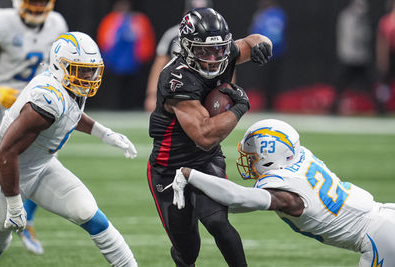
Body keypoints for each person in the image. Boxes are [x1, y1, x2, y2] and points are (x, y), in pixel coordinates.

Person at [0, 31, 138, 267]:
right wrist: (14, 203)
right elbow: (5, 152)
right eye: (81, 70)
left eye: (91, 70)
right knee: (0, 244)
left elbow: (69, 113)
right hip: (5, 175)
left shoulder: (65, 88)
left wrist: (104, 133)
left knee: (88, 213)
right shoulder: (45, 101)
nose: (89, 76)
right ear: (60, 66)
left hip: (41, 166)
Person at [172, 119, 395, 266]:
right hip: (386, 217)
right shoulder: (301, 157)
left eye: (254, 157)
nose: (250, 162)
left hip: (380, 239)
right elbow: (237, 203)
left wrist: (191, 174)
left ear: (270, 157)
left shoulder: (287, 195)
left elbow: (238, 197)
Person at [147, 7, 272, 267]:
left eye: (218, 50)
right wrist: (240, 107)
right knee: (187, 250)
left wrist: (264, 44)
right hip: (169, 167)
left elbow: (251, 42)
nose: (213, 57)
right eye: (203, 50)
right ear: (186, 47)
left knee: (217, 222)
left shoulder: (224, 54)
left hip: (205, 162)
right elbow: (204, 136)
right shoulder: (176, 78)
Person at [0, 0, 68, 254]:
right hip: (0, 108)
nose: (37, 6)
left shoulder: (57, 23)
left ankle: (27, 219)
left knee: (42, 163)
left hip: (38, 107)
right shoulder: (2, 22)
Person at [144, 0, 213, 112]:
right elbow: (159, 66)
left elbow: (227, 65)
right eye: (194, 15)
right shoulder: (172, 35)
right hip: (176, 93)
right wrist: (152, 95)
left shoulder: (217, 37)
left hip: (207, 94)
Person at [96, 0, 155, 110]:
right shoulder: (111, 20)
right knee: (114, 88)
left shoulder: (138, 20)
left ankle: (132, 106)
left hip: (133, 61)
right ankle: (113, 107)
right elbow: (105, 40)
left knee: (132, 88)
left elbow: (145, 39)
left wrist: (143, 56)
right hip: (115, 62)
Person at [332, 0, 386, 115]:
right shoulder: (348, 17)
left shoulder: (360, 18)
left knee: (370, 85)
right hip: (350, 58)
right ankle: (332, 108)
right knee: (341, 85)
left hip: (360, 58)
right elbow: (355, 37)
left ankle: (380, 109)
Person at [248, 0, 287, 111]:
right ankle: (265, 103)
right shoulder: (260, 14)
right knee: (263, 81)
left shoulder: (277, 13)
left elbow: (277, 34)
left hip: (276, 53)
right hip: (262, 53)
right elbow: (253, 33)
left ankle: (271, 104)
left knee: (273, 81)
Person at [376, 0, 395, 112]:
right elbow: (382, 41)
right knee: (385, 82)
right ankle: (381, 105)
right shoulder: (386, 21)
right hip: (390, 54)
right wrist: (382, 58)